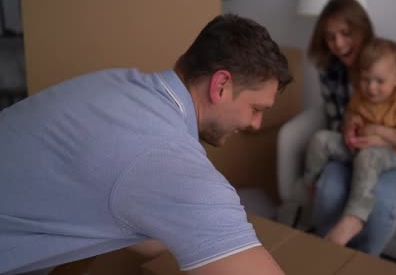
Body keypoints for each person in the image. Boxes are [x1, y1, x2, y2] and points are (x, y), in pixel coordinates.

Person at [0, 14, 291, 275]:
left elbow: (150, 243)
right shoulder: (164, 155)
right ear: (221, 86)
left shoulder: (119, 84)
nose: (257, 125)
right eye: (256, 108)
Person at [306, 0, 396, 256]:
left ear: (362, 28)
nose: (338, 44)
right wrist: (348, 127)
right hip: (356, 150)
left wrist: (388, 137)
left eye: (346, 33)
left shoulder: (394, 59)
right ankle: (327, 256)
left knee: (380, 201)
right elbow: (339, 119)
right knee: (328, 190)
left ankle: (362, 263)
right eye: (330, 37)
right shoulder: (330, 70)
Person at [304, 38, 396, 247]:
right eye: (366, 79)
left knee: (368, 157)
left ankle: (355, 217)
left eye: (379, 81)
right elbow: (349, 116)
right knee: (320, 139)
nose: (371, 88)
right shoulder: (361, 94)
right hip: (357, 146)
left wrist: (378, 133)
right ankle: (311, 183)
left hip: (389, 152)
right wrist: (349, 127)